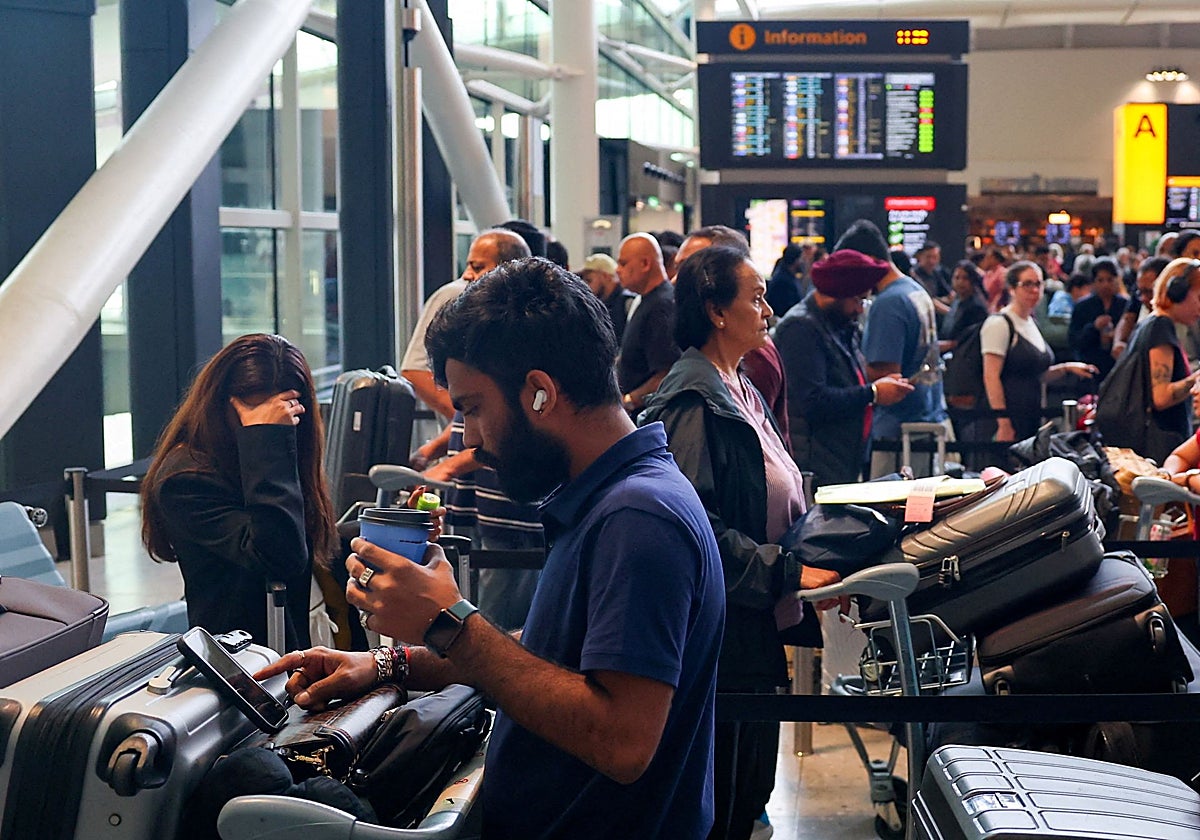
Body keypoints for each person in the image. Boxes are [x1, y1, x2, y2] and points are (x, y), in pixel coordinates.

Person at [257, 258, 725, 839]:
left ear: (539, 393)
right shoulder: (615, 498)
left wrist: (448, 622)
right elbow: (557, 656)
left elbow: (624, 741)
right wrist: (387, 664)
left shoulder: (637, 516)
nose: (472, 439)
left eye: (474, 408)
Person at [637, 245, 843, 840]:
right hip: (723, 636)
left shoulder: (739, 386)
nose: (768, 309)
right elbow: (692, 528)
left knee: (748, 791)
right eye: (755, 298)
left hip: (753, 624)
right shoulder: (692, 401)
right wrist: (787, 574)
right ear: (716, 312)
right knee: (725, 798)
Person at [140, 333, 338, 650]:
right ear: (220, 402)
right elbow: (281, 557)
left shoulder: (270, 456)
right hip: (239, 661)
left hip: (285, 650)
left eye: (284, 412)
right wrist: (266, 438)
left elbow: (304, 540)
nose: (274, 421)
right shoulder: (186, 478)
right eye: (255, 410)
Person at [775, 250, 914, 488]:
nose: (860, 309)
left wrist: (878, 385)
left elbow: (845, 379)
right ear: (837, 293)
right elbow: (812, 401)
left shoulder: (838, 323)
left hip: (841, 457)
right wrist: (873, 393)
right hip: (817, 462)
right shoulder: (800, 329)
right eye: (858, 300)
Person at [842, 220, 950, 477]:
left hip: (897, 430)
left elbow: (886, 375)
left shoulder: (888, 303)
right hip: (927, 416)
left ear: (869, 261)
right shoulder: (914, 290)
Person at [400, 229, 532, 420]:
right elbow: (415, 371)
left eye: (477, 267)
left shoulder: (522, 316)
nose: (467, 275)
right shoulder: (456, 296)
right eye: (470, 265)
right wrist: (469, 418)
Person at [677, 225, 791, 443]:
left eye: (692, 267)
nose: (677, 280)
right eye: (679, 269)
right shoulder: (696, 393)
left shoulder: (752, 357)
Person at [1097, 257, 1200, 464]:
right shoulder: (1161, 327)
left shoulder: (1150, 324)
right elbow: (1160, 397)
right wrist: (1196, 379)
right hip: (1159, 442)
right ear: (1178, 293)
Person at [983, 261, 1098, 442]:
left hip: (1031, 416)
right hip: (1008, 418)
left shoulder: (1031, 323)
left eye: (1038, 284)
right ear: (1012, 289)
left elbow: (1037, 374)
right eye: (1027, 284)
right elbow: (991, 376)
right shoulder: (999, 323)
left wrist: (1067, 368)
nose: (1034, 290)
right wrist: (1003, 422)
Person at [616, 232, 682, 413]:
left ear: (645, 264)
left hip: (649, 414)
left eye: (623, 263)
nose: (617, 270)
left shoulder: (661, 306)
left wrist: (630, 400)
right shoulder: (649, 300)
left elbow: (668, 372)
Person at [1068, 257, 1129, 382]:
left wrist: (1117, 335)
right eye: (1100, 280)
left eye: (1109, 280)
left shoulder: (1126, 305)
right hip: (1091, 366)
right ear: (1093, 282)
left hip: (1119, 367)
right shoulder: (1082, 306)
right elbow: (1074, 340)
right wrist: (1094, 327)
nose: (1105, 285)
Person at [1112, 256, 1171, 359]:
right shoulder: (1140, 297)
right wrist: (1119, 343)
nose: (1143, 298)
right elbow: (1127, 318)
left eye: (1149, 292)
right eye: (1141, 292)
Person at [579, 252, 635, 342]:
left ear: (605, 276)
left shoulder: (628, 302)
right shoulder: (599, 305)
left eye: (589, 280)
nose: (586, 286)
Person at [938, 260, 989, 353]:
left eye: (965, 278)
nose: (960, 282)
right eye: (957, 278)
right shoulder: (958, 299)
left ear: (972, 280)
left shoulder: (977, 308)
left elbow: (970, 341)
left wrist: (948, 345)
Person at [765, 243, 806, 318]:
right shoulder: (783, 281)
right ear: (795, 260)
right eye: (801, 258)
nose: (803, 262)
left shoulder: (787, 276)